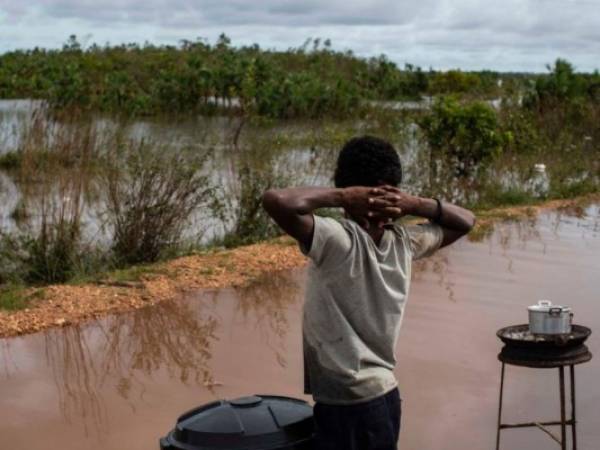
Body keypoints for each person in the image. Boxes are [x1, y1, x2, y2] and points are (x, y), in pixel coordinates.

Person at [262, 135, 475, 450]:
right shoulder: (404, 242)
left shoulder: (338, 239)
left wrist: (342, 196)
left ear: (351, 191)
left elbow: (276, 200)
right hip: (382, 397)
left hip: (350, 404)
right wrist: (415, 204)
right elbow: (465, 221)